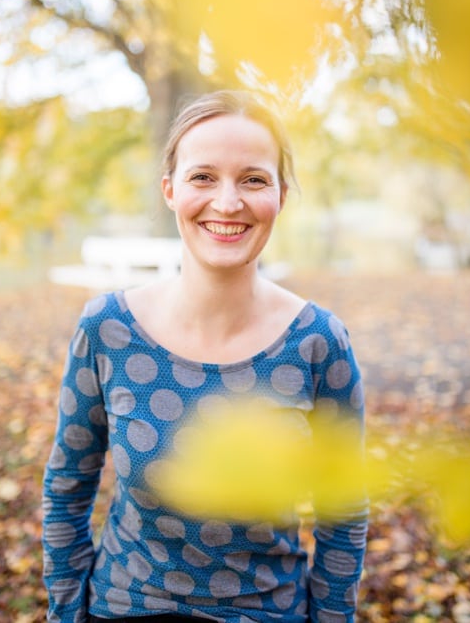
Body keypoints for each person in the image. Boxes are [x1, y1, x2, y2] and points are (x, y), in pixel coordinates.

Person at [42, 90, 367, 622]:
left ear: (282, 195)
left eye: (254, 179)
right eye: (203, 177)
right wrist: (65, 612)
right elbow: (66, 487)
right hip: (125, 608)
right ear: (170, 190)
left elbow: (343, 511)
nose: (228, 202)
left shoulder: (319, 342)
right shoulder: (107, 329)